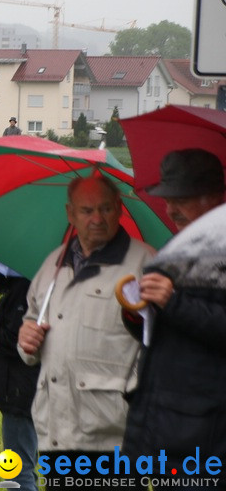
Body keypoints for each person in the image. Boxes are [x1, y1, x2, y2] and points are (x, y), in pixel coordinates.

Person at [17, 175, 155, 486]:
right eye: (87, 210)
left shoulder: (144, 264)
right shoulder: (54, 263)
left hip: (114, 438)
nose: (97, 218)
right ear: (70, 214)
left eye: (105, 209)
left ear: (119, 209)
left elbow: (163, 343)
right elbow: (32, 320)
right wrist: (26, 339)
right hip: (57, 432)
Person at [122, 149, 226, 484]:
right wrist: (137, 314)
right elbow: (163, 336)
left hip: (206, 436)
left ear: (215, 198)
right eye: (167, 198)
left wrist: (173, 303)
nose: (170, 209)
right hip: (159, 421)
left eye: (181, 198)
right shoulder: (177, 250)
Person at [0, 265, 40, 491]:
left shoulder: (28, 289)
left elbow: (18, 341)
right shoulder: (25, 286)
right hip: (19, 388)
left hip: (21, 389)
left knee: (18, 470)